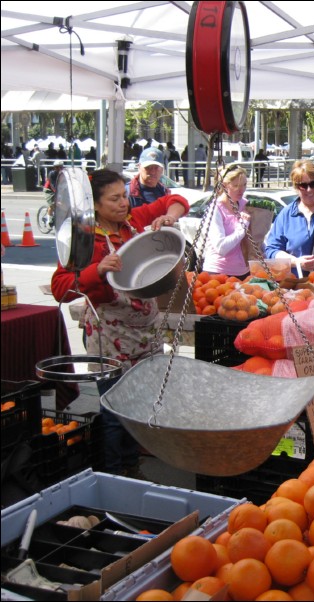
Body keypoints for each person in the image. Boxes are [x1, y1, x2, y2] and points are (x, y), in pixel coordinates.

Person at [50, 169, 189, 478]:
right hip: (110, 334)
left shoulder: (133, 223)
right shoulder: (83, 240)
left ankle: (132, 464)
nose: (123, 203)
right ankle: (113, 474)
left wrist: (169, 217)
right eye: (114, 199)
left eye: (124, 195)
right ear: (95, 206)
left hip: (145, 333)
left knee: (139, 405)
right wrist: (97, 271)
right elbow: (61, 287)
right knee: (115, 410)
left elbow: (177, 200)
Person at [202, 165, 252, 279]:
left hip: (243, 271)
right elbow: (221, 248)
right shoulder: (216, 208)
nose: (242, 190)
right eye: (236, 186)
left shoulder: (244, 204)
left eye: (244, 185)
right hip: (218, 272)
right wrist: (242, 227)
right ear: (224, 185)